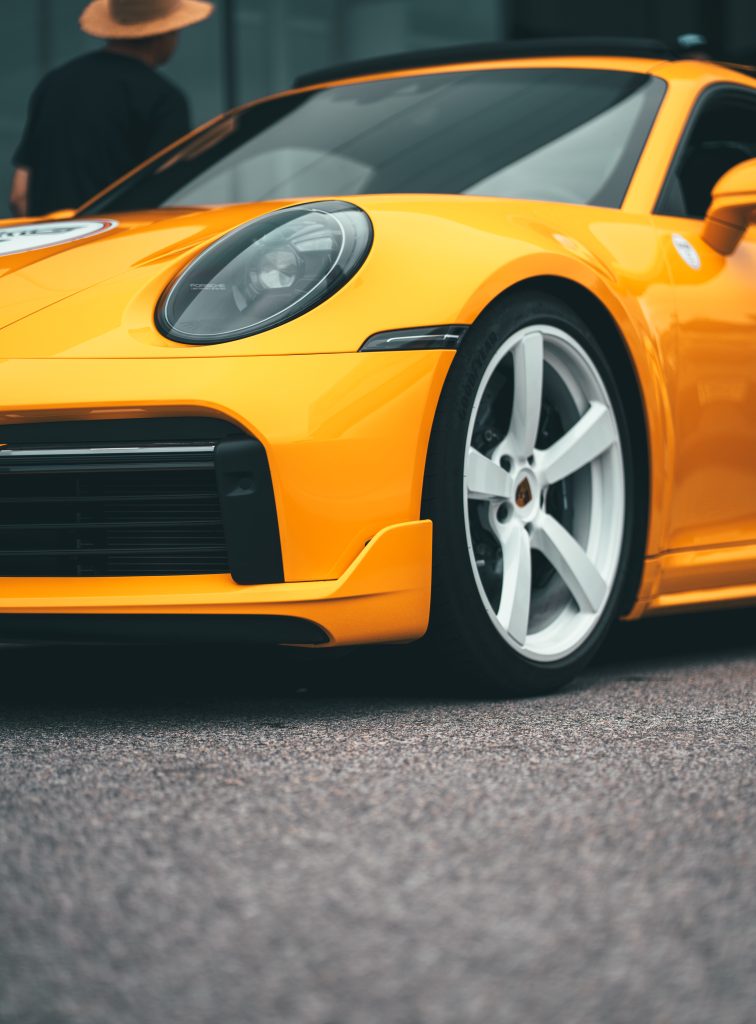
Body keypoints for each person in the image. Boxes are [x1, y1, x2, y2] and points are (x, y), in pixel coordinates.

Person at [9, 0, 214, 218]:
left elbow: (19, 195)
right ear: (165, 33)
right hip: (120, 244)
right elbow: (168, 194)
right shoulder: (163, 98)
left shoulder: (55, 83)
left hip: (51, 244)